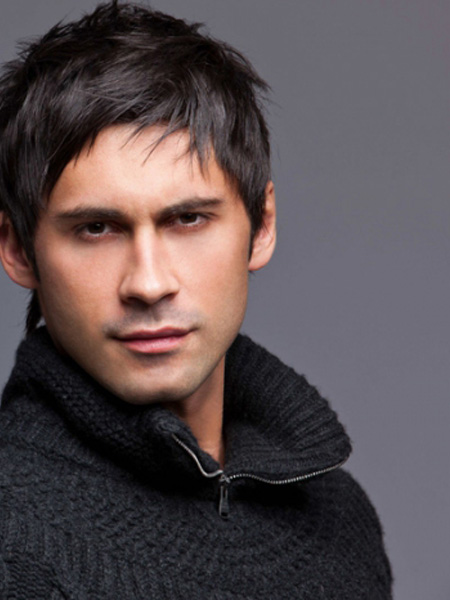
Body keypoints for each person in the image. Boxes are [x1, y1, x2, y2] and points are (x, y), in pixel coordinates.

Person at [0, 2, 392, 598]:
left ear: (262, 226)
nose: (149, 283)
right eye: (96, 228)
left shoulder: (339, 521)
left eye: (187, 219)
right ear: (18, 250)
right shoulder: (13, 542)